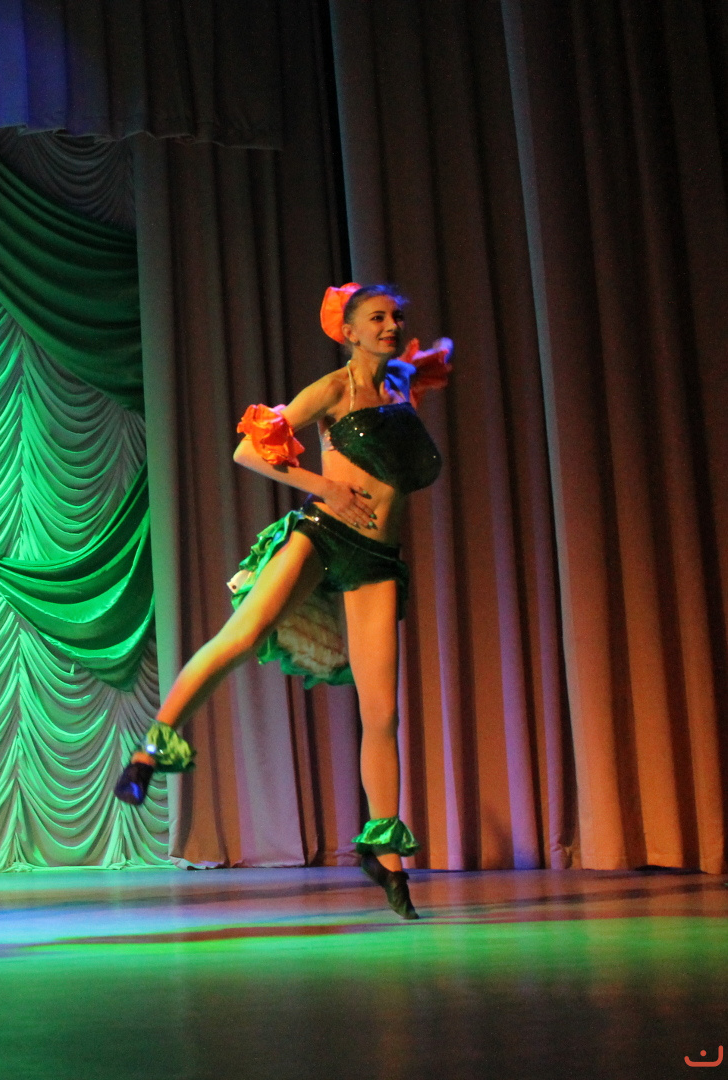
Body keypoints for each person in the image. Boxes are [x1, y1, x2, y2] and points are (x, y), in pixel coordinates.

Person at [113, 283, 451, 920]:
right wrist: (326, 485)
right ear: (348, 331)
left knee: (382, 712)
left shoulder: (400, 384)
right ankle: (150, 750)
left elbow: (426, 369)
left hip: (378, 559)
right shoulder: (333, 390)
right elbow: (250, 448)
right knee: (241, 636)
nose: (391, 325)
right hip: (321, 533)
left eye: (396, 316)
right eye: (377, 317)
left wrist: (433, 361)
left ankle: (385, 857)